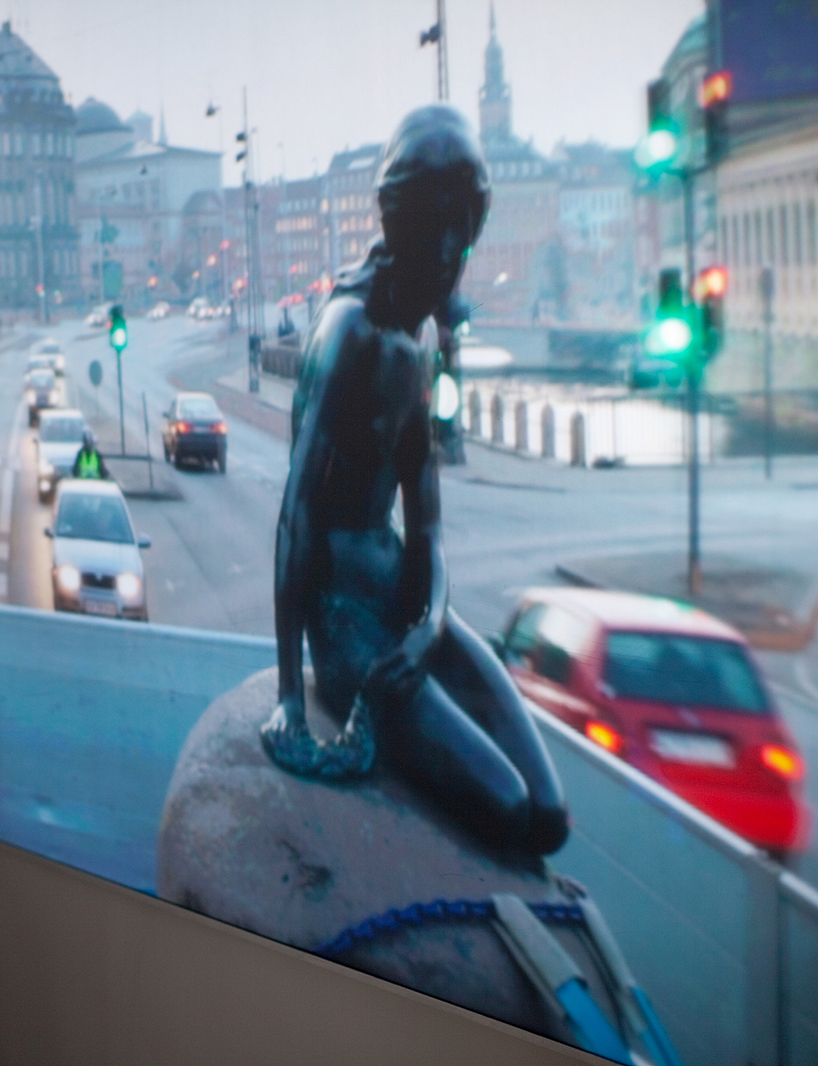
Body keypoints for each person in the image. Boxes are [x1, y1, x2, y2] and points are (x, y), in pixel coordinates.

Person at [260, 107, 568, 855]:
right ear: (403, 233)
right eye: (444, 251)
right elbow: (295, 519)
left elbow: (424, 526)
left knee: (550, 814)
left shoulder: (419, 340)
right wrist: (290, 701)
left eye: (463, 248)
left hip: (400, 604)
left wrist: (427, 628)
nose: (455, 269)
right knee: (507, 811)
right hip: (346, 627)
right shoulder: (349, 338)